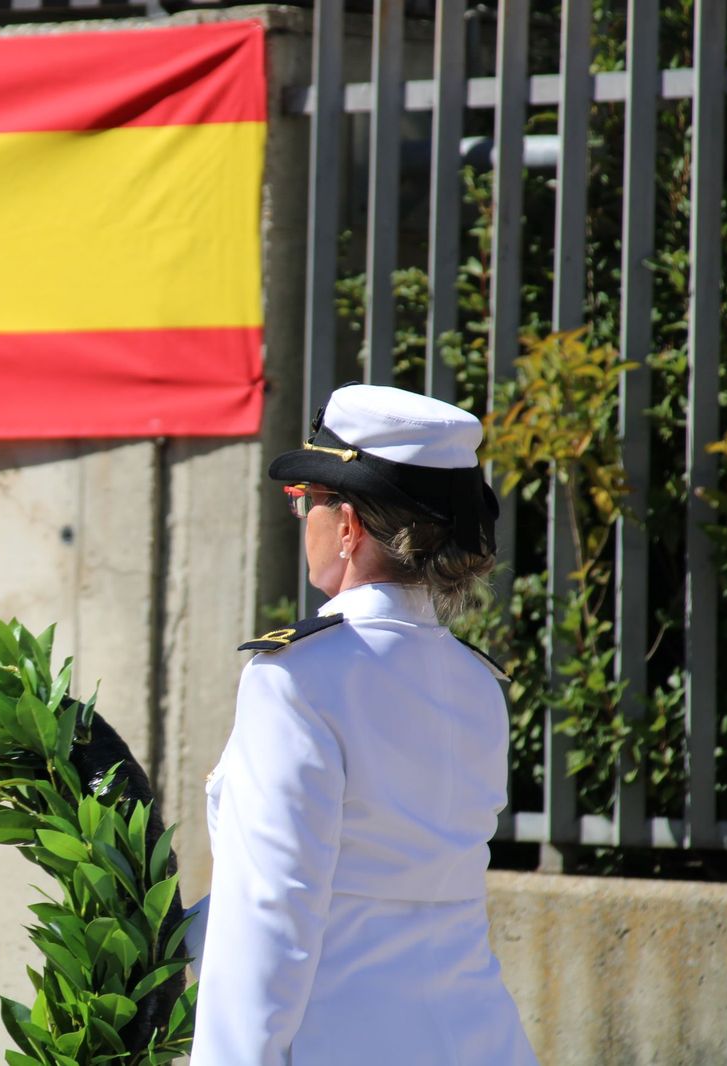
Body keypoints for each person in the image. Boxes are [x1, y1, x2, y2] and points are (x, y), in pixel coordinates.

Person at [191, 383, 538, 1066]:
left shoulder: (296, 678)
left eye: (308, 501)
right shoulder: (477, 683)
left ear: (347, 525)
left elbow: (270, 913)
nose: (303, 518)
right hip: (480, 1041)